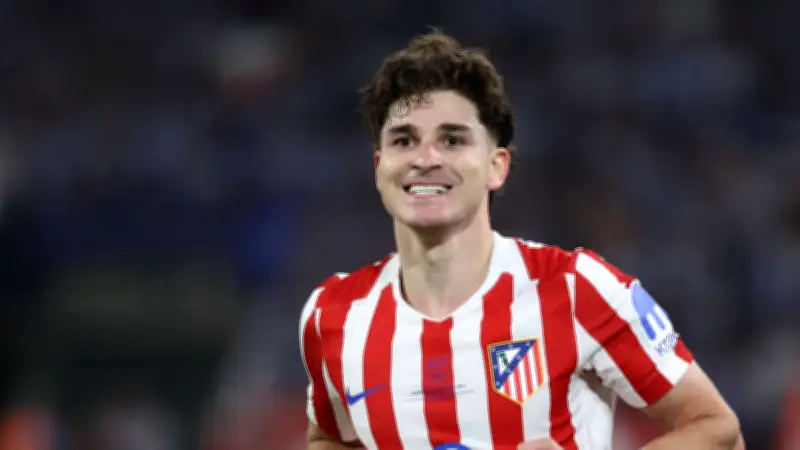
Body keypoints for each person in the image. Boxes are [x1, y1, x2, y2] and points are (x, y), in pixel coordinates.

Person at [298, 30, 744, 450]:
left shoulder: (576, 288)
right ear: (380, 168)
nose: (426, 158)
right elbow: (328, 438)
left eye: (452, 140)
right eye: (404, 140)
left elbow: (718, 430)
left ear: (497, 166)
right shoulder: (331, 316)